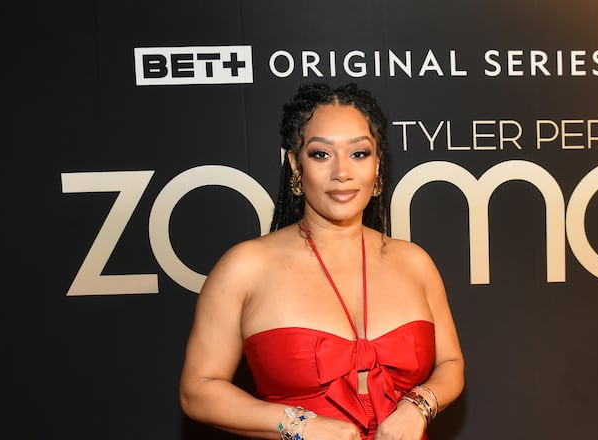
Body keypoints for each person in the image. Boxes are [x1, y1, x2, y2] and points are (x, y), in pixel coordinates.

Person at [180, 82, 465, 440]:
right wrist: (300, 425)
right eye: (321, 154)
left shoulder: (415, 262)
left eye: (359, 153)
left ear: (378, 164)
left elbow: (451, 365)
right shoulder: (246, 267)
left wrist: (419, 405)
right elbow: (198, 390)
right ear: (295, 164)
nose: (342, 172)